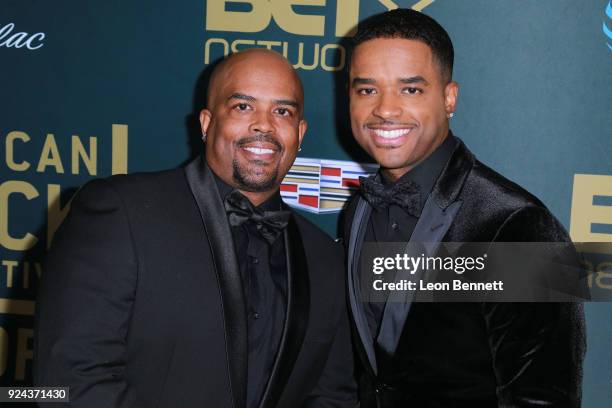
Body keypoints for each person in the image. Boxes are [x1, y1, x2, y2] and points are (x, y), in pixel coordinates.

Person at [35, 49, 358, 408]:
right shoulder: (120, 212)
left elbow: (333, 396)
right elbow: (68, 382)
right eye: (243, 107)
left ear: (299, 133)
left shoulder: (325, 259)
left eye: (282, 112)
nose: (264, 125)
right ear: (207, 123)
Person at [342, 9, 586, 407]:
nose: (385, 109)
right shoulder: (358, 213)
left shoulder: (515, 225)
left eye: (410, 89)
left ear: (449, 97)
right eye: (366, 90)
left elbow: (544, 399)